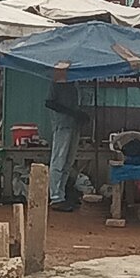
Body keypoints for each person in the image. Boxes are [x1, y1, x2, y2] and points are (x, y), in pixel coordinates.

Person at [45, 79, 87, 212]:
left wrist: (79, 115)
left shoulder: (75, 82)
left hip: (74, 125)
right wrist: (72, 113)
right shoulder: (57, 82)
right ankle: (55, 196)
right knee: (59, 161)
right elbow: (49, 103)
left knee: (68, 162)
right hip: (62, 125)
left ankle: (61, 195)